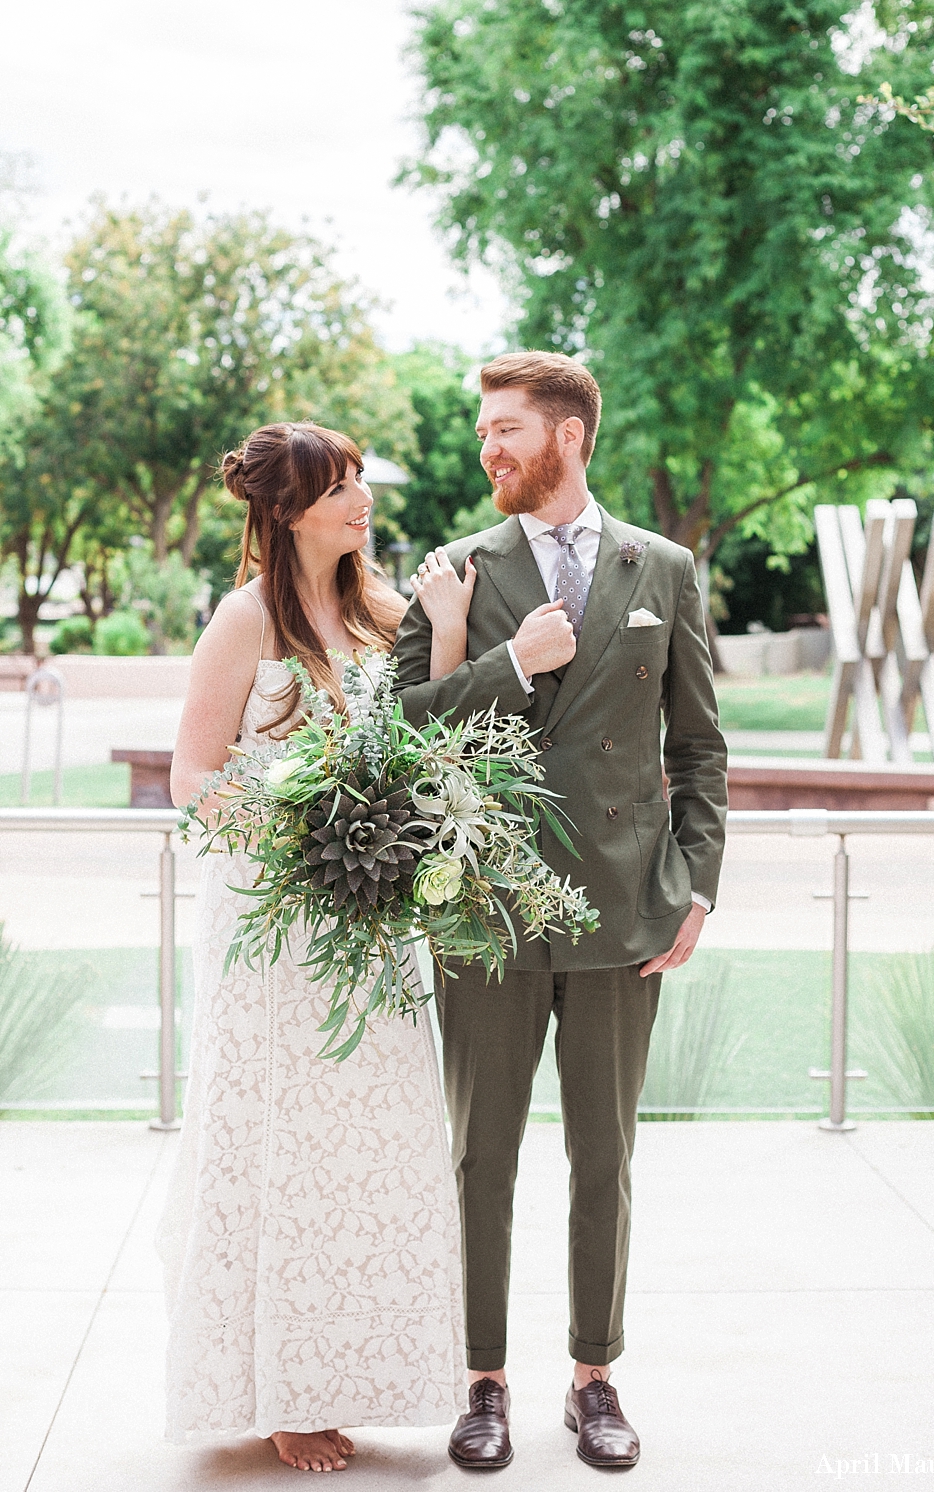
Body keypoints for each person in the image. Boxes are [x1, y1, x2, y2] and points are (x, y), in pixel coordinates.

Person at [394, 351, 728, 1472]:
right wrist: (506, 659)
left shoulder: (663, 567)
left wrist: (696, 886)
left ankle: (593, 1375)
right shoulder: (451, 570)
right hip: (482, 915)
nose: (485, 448)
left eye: (503, 430)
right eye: (484, 431)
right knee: (479, 1157)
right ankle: (480, 1376)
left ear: (566, 436)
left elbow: (697, 747)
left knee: (605, 1158)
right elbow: (400, 739)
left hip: (621, 916)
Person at [157, 423, 468, 1474]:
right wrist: (303, 823)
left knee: (370, 1152)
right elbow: (192, 780)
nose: (360, 500)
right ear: (288, 510)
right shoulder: (243, 621)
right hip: (270, 920)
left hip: (367, 923)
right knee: (279, 1147)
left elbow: (427, 734)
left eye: (358, 484)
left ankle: (355, 1374)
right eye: (340, 488)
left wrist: (456, 632)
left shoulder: (382, 614)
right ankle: (282, 1391)